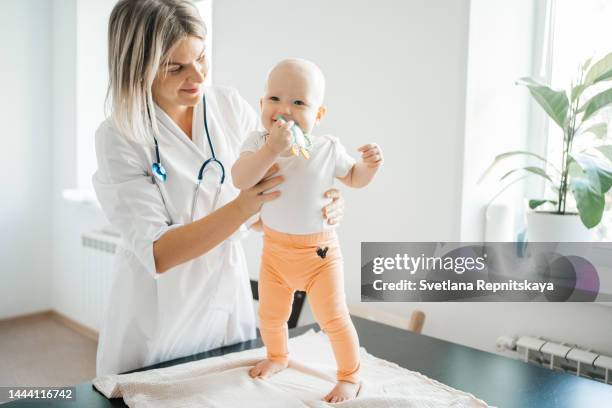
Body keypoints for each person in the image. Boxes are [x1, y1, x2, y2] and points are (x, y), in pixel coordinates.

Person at [93, 0, 344, 377]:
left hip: (227, 305)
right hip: (156, 317)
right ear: (138, 67)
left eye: (201, 58)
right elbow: (158, 252)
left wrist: (318, 202)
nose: (196, 76)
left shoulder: (227, 105)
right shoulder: (120, 136)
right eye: (175, 67)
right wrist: (243, 207)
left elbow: (274, 191)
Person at [231, 58, 383, 403]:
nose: (284, 109)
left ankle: (349, 375)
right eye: (275, 99)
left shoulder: (327, 147)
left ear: (319, 114)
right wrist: (272, 148)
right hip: (274, 253)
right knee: (270, 315)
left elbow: (354, 178)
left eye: (299, 102)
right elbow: (241, 179)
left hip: (320, 256)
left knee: (333, 318)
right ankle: (277, 355)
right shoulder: (256, 143)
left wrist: (369, 167)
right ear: (262, 104)